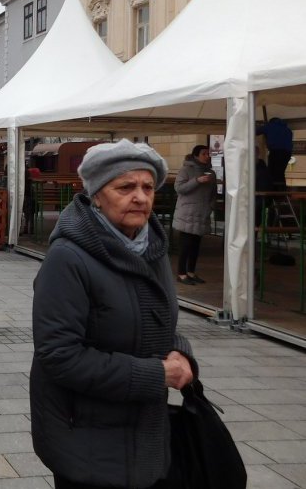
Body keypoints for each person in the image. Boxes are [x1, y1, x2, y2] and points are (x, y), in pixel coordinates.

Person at [31, 139, 195, 489]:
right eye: (125, 187)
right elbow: (59, 355)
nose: (140, 197)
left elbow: (156, 319)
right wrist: (156, 374)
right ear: (96, 196)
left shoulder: (152, 247)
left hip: (145, 432)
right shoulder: (68, 258)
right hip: (86, 437)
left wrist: (180, 351)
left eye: (148, 187)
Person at [172, 145, 218, 285]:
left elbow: (214, 192)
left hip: (202, 212)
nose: (207, 156)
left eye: (208, 153)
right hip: (187, 212)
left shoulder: (211, 173)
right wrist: (196, 181)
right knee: (185, 244)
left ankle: (191, 272)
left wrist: (211, 206)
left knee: (196, 245)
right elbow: (179, 188)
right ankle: (181, 274)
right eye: (204, 154)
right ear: (196, 155)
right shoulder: (186, 170)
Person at [257, 117, 293, 190]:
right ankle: (282, 191)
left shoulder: (270, 126)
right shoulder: (288, 130)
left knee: (271, 172)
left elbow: (256, 131)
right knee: (280, 172)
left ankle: (274, 191)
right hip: (287, 153)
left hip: (276, 152)